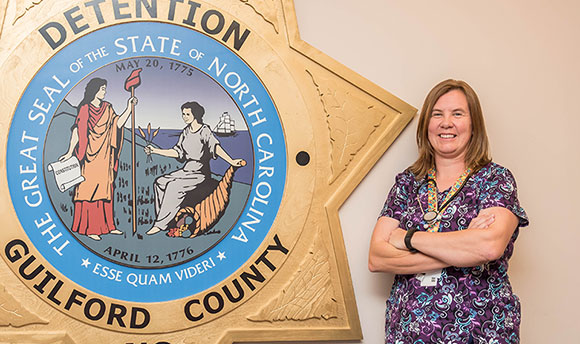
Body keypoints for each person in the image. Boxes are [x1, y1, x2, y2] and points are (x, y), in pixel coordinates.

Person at [368, 79, 528, 343]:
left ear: (473, 124)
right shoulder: (408, 183)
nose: (446, 123)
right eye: (437, 114)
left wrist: (408, 238)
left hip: (481, 331)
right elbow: (377, 257)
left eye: (457, 114)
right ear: (426, 125)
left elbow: (488, 248)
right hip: (409, 333)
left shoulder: (495, 179)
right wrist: (464, 247)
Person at [144, 101, 244, 235]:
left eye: (187, 114)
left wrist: (231, 160)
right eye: (183, 114)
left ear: (195, 115)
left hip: (200, 172)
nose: (184, 117)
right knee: (160, 182)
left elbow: (215, 147)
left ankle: (160, 225)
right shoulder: (185, 132)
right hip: (186, 170)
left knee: (174, 186)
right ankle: (169, 220)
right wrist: (155, 151)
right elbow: (177, 152)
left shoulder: (204, 130)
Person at [59, 77, 137, 241]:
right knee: (89, 191)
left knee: (106, 190)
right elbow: (77, 131)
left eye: (105, 89)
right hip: (89, 157)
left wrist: (129, 108)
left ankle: (108, 226)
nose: (104, 91)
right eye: (102, 88)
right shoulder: (85, 109)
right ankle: (90, 228)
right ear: (94, 90)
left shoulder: (108, 107)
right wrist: (69, 152)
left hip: (105, 156)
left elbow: (117, 125)